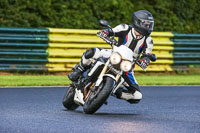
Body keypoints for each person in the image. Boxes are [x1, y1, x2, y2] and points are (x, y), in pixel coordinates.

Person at [68, 10, 156, 104]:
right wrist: (105, 32)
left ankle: (112, 91)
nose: (148, 27)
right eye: (145, 24)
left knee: (137, 95)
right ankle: (79, 71)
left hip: (126, 66)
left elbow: (147, 54)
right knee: (91, 52)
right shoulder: (125, 28)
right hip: (114, 54)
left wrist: (145, 60)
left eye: (149, 25)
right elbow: (111, 31)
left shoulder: (148, 41)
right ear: (137, 22)